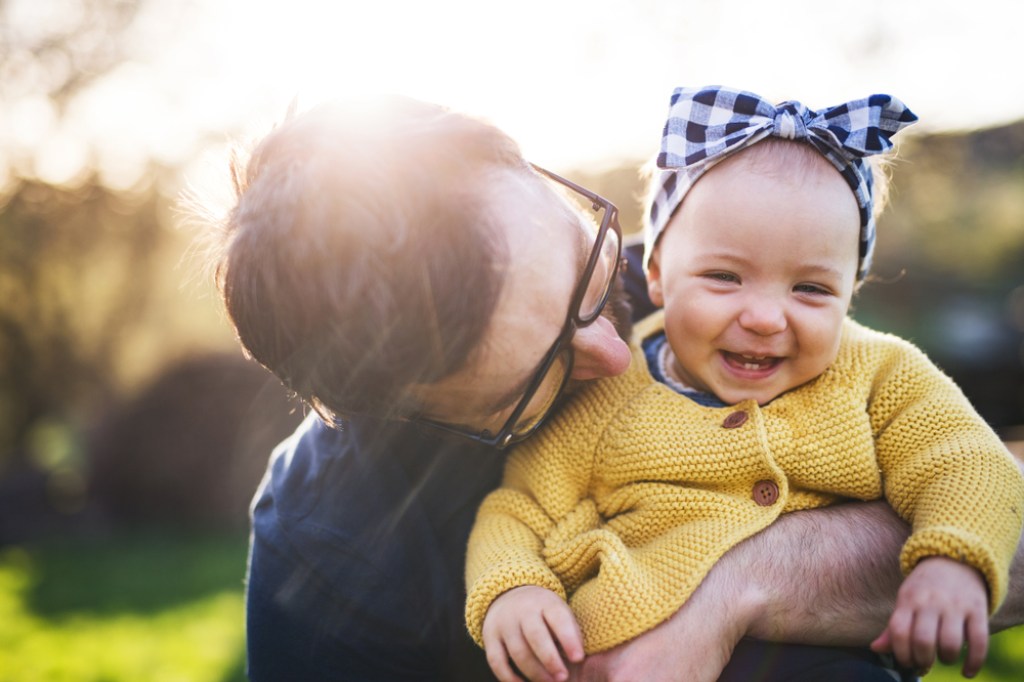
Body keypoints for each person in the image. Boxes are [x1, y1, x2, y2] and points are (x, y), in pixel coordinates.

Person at [205, 93, 1024, 682]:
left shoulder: (712, 270)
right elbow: (516, 523)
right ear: (401, 410)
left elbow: (978, 478)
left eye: (590, 271)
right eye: (544, 369)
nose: (617, 351)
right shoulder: (329, 549)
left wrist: (727, 594)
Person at [466, 86, 1024, 682]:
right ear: (656, 275)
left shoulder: (880, 373)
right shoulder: (610, 392)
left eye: (810, 288)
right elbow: (520, 510)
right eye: (725, 276)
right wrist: (514, 590)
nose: (764, 317)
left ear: (850, 293)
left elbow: (964, 459)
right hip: (618, 657)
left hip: (824, 656)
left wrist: (952, 556)